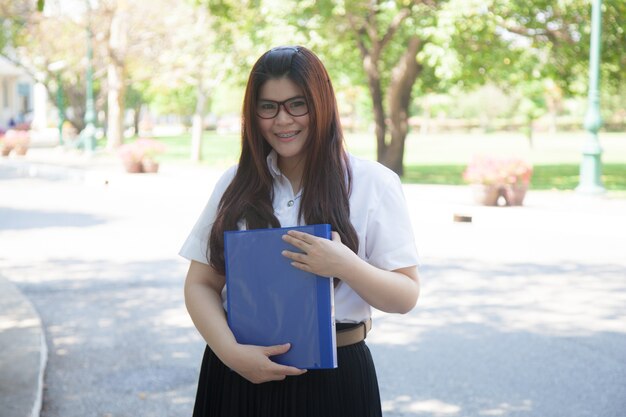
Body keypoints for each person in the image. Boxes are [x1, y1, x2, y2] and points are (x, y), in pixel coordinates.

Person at [179, 45, 420, 417]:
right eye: (268, 107)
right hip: (238, 373)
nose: (282, 120)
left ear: (321, 104)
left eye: (297, 104)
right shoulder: (235, 184)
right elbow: (200, 284)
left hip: (336, 383)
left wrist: (345, 264)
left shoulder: (374, 183)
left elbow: (404, 296)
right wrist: (231, 353)